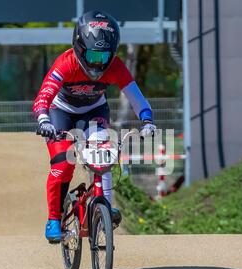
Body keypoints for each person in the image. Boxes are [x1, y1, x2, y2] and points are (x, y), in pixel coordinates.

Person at [33, 11, 157, 243]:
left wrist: (147, 120)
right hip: (60, 113)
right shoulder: (65, 63)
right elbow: (44, 96)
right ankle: (53, 218)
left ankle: (106, 208)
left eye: (104, 56)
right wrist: (44, 120)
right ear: (79, 48)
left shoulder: (116, 66)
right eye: (92, 55)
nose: (98, 63)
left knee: (105, 156)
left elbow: (135, 97)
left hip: (94, 112)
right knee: (63, 165)